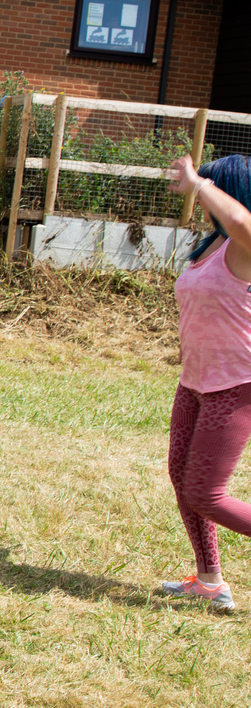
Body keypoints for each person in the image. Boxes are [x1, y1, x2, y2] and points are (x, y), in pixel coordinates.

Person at [161, 153, 251, 609]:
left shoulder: (245, 242)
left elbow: (241, 220)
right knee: (182, 477)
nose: (200, 198)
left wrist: (199, 182)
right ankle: (210, 579)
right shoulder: (212, 244)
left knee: (206, 493)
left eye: (210, 189)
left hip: (237, 385)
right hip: (195, 381)